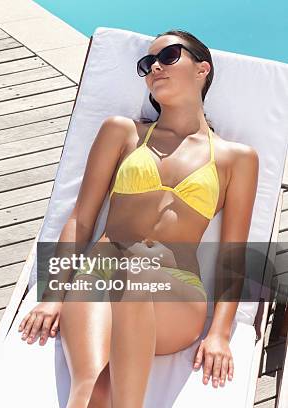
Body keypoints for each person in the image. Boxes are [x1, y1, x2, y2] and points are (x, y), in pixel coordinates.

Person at [17, 30, 259, 408]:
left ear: (202, 69)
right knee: (95, 388)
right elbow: (82, 218)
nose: (155, 67)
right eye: (147, 64)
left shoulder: (237, 158)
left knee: (138, 274)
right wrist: (51, 295)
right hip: (100, 275)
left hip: (176, 294)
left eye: (168, 56)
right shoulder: (123, 132)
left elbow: (234, 253)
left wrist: (220, 334)